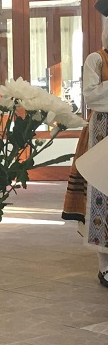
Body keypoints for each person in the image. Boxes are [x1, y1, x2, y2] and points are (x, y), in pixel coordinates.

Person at [63, 22, 108, 287]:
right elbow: (92, 97)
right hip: (101, 134)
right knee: (102, 195)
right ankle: (105, 266)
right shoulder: (96, 59)